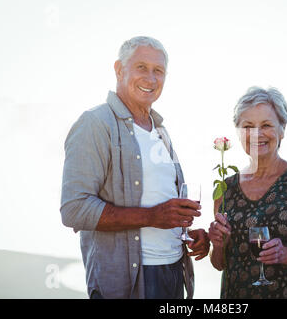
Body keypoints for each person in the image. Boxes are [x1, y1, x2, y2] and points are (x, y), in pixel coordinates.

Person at [60, 36, 209, 299]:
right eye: (141, 67)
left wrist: (186, 233)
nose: (151, 79)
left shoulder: (161, 131)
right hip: (130, 280)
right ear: (119, 69)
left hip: (175, 271)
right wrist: (152, 217)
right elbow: (74, 209)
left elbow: (163, 203)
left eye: (158, 71)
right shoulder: (95, 123)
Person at [208, 86, 287, 299]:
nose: (257, 134)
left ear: (282, 129)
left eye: (266, 125)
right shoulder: (225, 188)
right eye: (248, 126)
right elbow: (219, 263)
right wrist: (217, 244)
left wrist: (286, 254)